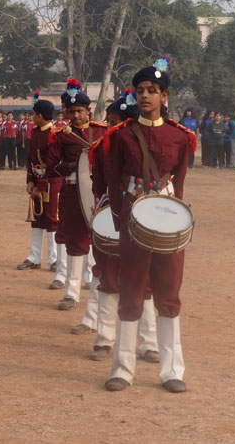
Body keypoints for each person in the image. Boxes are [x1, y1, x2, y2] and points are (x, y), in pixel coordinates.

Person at [105, 57, 195, 394]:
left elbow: (180, 183)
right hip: (132, 220)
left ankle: (171, 369)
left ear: (165, 96)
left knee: (169, 294)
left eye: (152, 91)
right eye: (140, 90)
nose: (145, 96)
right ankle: (123, 369)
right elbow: (114, 182)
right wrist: (119, 220)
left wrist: (176, 221)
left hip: (169, 221)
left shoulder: (180, 137)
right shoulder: (122, 135)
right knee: (130, 291)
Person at [85, 93, 159, 363]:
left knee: (144, 281)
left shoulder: (149, 146)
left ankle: (148, 343)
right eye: (109, 121)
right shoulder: (101, 147)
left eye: (115, 122)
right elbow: (97, 186)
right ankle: (104, 338)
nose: (110, 126)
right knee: (109, 278)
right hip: (111, 217)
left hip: (143, 218)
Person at [46, 80, 107, 311]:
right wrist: (72, 165)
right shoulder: (60, 136)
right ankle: (70, 293)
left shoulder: (102, 131)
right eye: (71, 111)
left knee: (98, 236)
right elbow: (51, 168)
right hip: (72, 191)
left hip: (98, 191)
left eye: (79, 111)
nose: (75, 115)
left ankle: (93, 281)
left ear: (88, 110)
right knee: (74, 241)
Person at [18, 94, 61, 275]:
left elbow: (53, 165)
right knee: (36, 219)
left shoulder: (54, 135)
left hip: (51, 182)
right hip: (37, 179)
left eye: (34, 114)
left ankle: (53, 259)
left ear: (40, 116)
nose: (31, 117)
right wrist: (30, 181)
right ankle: (34, 257)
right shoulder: (35, 132)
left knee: (52, 220)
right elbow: (30, 158)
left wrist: (40, 186)